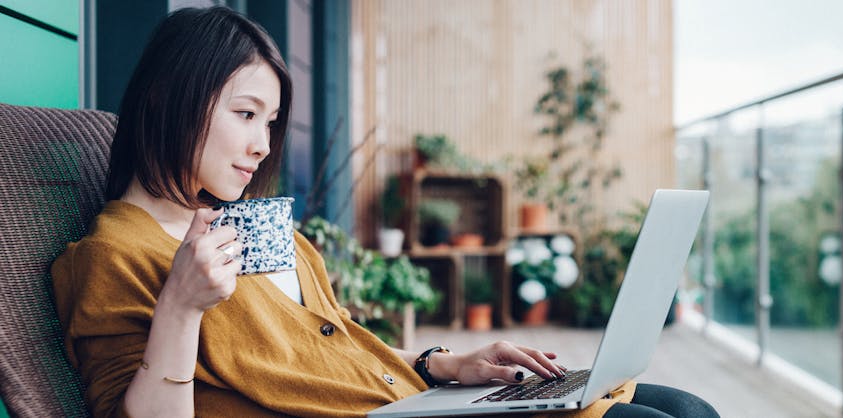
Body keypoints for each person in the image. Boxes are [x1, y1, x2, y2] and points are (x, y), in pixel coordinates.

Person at [51, 6, 718, 418]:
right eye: (245, 114)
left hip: (409, 399)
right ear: (168, 99)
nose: (261, 145)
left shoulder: (243, 222)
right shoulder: (114, 254)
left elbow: (328, 345)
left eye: (272, 121)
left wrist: (445, 365)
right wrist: (182, 307)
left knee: (687, 405)